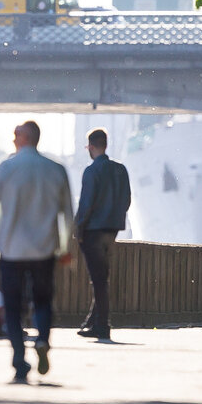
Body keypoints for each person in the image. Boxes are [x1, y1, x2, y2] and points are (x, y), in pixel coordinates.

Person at [0, 121, 74, 383]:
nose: (12, 140)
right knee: (43, 301)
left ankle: (19, 359)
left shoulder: (5, 168)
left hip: (11, 249)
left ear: (23, 137)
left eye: (14, 135)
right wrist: (66, 248)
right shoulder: (56, 169)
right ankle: (42, 339)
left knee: (12, 307)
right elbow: (67, 213)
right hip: (44, 249)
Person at [75, 128, 131, 340]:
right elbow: (126, 201)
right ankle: (94, 320)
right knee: (102, 277)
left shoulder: (92, 171)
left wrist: (79, 228)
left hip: (93, 230)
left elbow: (86, 204)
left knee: (98, 279)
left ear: (90, 146)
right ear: (105, 145)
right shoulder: (120, 169)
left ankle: (102, 325)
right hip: (113, 229)